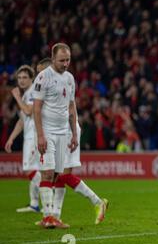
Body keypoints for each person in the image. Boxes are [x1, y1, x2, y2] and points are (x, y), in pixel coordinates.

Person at [36, 58, 109, 225]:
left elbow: (70, 109)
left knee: (62, 175)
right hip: (58, 131)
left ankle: (98, 202)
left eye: (41, 71)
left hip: (67, 131)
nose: (39, 75)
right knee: (57, 176)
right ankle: (53, 216)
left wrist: (74, 134)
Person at [32, 43, 78, 229]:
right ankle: (48, 216)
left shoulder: (70, 78)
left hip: (63, 133)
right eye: (62, 60)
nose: (66, 63)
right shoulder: (43, 77)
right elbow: (36, 108)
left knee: (58, 175)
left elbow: (72, 106)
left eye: (68, 60)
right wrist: (40, 135)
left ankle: (52, 217)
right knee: (48, 172)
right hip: (48, 132)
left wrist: (74, 134)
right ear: (53, 59)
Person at [4, 65, 41, 213]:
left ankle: (48, 191)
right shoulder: (26, 95)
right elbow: (22, 120)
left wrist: (17, 97)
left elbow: (28, 110)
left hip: (35, 135)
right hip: (29, 135)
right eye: (19, 78)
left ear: (31, 78)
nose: (22, 80)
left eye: (25, 77)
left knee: (29, 169)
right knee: (33, 169)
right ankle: (34, 204)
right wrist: (11, 138)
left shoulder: (32, 93)